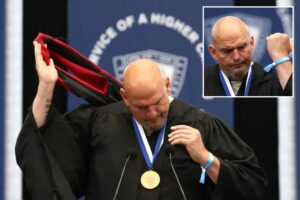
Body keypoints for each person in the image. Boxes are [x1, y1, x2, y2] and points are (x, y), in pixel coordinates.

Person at [16, 41, 267, 200]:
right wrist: (47, 87)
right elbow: (42, 148)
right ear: (125, 97)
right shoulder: (98, 122)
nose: (152, 113)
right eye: (141, 107)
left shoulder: (200, 125)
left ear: (168, 85)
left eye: (158, 102)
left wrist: (206, 158)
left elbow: (253, 186)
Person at [205, 16, 292, 96]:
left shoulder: (276, 81)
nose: (236, 57)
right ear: (213, 52)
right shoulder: (200, 82)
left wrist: (280, 57)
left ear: (251, 43)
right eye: (227, 51)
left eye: (242, 47)